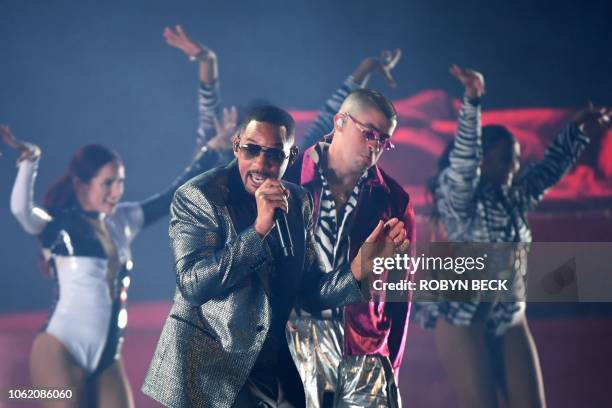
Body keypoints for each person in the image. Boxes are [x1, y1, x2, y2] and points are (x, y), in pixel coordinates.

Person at [141, 105, 408, 407]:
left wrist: (358, 269)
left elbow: (309, 293)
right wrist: (257, 231)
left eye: (274, 154)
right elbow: (193, 285)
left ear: (290, 157)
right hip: (212, 372)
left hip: (276, 369)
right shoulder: (200, 196)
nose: (260, 164)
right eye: (251, 150)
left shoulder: (298, 201)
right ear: (236, 145)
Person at [416, 65, 612, 408]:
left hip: (509, 314)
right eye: (507, 159)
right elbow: (463, 164)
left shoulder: (513, 194)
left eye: (518, 160)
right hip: (463, 318)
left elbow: (550, 169)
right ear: (483, 159)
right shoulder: (459, 200)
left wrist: (578, 131)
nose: (514, 168)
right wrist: (473, 103)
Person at [1, 120, 232, 407]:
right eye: (107, 183)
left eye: (120, 181)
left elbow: (174, 194)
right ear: (81, 186)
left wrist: (210, 152)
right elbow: (21, 210)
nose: (116, 191)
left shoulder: (123, 219)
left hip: (108, 355)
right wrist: (31, 161)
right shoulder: (57, 226)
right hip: (59, 349)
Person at [285, 89, 415, 408]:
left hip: (365, 351)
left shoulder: (393, 200)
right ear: (340, 122)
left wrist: (392, 367)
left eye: (383, 140)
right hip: (294, 342)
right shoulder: (289, 179)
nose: (374, 145)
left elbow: (401, 295)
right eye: (368, 133)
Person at [162, 24, 402, 152]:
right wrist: (207, 60)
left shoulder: (283, 167)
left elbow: (328, 118)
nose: (263, 157)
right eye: (253, 144)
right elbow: (208, 101)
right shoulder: (215, 149)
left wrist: (366, 67)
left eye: (274, 147)